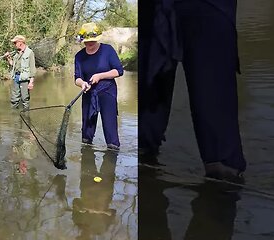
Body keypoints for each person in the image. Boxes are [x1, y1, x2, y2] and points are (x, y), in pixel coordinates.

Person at [139, 0, 246, 182]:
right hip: (150, 10)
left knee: (222, 162)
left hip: (209, 7)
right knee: (143, 141)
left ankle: (222, 197)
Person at [74, 23, 124, 151]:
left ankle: (112, 157)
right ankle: (87, 156)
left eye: (92, 41)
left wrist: (100, 76)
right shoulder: (79, 56)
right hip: (88, 93)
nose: (90, 44)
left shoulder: (108, 50)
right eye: (87, 42)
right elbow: (77, 78)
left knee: (110, 127)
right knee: (86, 133)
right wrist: (82, 84)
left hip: (107, 92)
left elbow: (118, 71)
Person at [4, 35, 36, 111]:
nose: (14, 44)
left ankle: (26, 114)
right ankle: (14, 115)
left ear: (20, 42)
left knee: (25, 98)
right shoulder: (16, 53)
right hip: (16, 77)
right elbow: (13, 64)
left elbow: (32, 68)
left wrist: (31, 82)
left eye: (15, 42)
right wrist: (8, 58)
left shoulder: (29, 52)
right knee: (14, 98)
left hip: (24, 78)